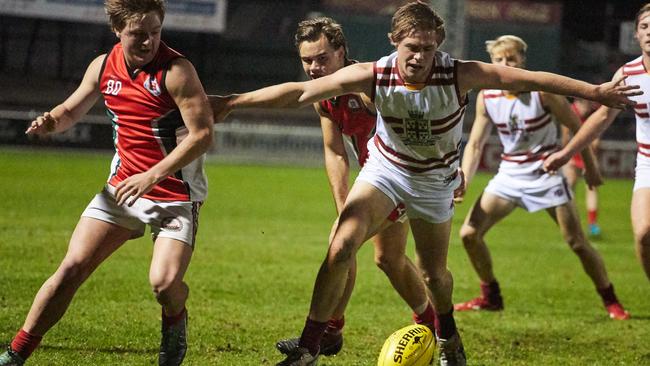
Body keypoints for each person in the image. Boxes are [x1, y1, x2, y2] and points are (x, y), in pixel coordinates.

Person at [211, 2, 638, 365]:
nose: (419, 56)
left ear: (439, 45)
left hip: (434, 181)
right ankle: (309, 345)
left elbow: (530, 79)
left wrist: (595, 91)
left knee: (434, 275)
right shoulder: (373, 74)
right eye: (412, 47)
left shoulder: (457, 75)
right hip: (387, 170)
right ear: (395, 40)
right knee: (341, 244)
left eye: (429, 48)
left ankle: (447, 333)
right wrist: (232, 103)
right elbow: (300, 92)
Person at [0, 1, 214, 365]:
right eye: (138, 34)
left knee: (164, 285)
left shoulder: (177, 71)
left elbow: (203, 135)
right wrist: (51, 121)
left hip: (174, 193)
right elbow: (70, 110)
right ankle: (17, 352)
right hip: (123, 188)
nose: (149, 42)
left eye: (155, 32)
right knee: (71, 268)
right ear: (116, 30)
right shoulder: (103, 66)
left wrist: (152, 175)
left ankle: (175, 317)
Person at [269, 17, 436, 358]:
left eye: (322, 58)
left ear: (341, 53)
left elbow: (412, 125)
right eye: (307, 61)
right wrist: (343, 200)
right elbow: (334, 151)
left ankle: (322, 336)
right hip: (378, 180)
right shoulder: (324, 96)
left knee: (342, 240)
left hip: (407, 177)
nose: (314, 68)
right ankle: (434, 326)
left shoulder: (366, 84)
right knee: (388, 259)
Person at [452, 35, 630, 321]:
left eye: (511, 59)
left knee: (577, 242)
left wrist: (591, 168)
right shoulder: (488, 95)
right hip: (510, 175)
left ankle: (611, 300)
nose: (505, 65)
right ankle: (491, 297)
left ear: (523, 61)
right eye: (499, 60)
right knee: (469, 234)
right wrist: (465, 181)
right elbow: (474, 145)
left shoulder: (542, 93)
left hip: (546, 174)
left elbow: (575, 126)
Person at [545, 3, 650, 284]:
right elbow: (602, 116)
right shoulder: (628, 74)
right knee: (643, 235)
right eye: (644, 26)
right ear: (636, 35)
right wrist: (567, 152)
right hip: (648, 163)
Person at [562, 98, 602, 236]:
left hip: (587, 155)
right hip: (573, 154)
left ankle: (592, 224)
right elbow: (565, 136)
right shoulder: (571, 111)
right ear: (578, 102)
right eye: (584, 103)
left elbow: (597, 139)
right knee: (569, 189)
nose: (587, 107)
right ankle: (570, 222)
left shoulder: (593, 112)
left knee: (591, 188)